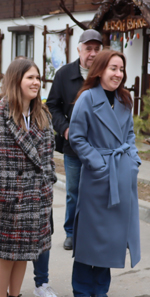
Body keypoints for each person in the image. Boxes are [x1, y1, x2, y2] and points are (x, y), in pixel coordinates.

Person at [0, 58, 56, 297]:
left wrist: (47, 184)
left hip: (34, 198)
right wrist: (0, 188)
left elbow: (48, 158)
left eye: (38, 78)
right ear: (15, 80)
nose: (36, 82)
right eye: (30, 77)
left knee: (24, 254)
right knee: (6, 255)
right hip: (6, 200)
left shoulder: (42, 115)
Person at [68, 50, 141, 297]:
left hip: (121, 172)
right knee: (90, 234)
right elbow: (76, 137)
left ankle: (101, 289)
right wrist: (98, 163)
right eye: (113, 68)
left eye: (121, 69)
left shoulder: (124, 99)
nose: (118, 74)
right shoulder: (87, 98)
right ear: (99, 70)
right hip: (97, 175)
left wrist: (133, 160)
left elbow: (130, 134)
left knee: (112, 235)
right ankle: (81, 290)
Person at [47, 29, 103, 253]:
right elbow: (52, 106)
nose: (93, 53)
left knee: (97, 192)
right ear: (79, 49)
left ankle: (91, 231)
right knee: (74, 192)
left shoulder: (104, 73)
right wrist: (65, 129)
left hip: (100, 145)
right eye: (88, 48)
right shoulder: (64, 74)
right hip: (73, 146)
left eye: (97, 49)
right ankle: (71, 232)